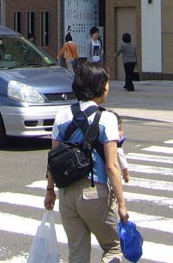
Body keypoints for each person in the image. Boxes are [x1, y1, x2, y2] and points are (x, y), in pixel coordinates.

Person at [44, 62, 128, 263]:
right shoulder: (107, 118)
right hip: (94, 191)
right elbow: (112, 165)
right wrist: (122, 204)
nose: (108, 87)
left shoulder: (62, 115)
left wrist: (50, 190)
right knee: (113, 248)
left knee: (77, 254)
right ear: (100, 86)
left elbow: (54, 158)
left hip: (66, 195)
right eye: (106, 83)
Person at [114, 111, 130, 183]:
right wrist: (126, 175)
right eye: (119, 129)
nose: (120, 133)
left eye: (120, 129)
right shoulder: (118, 149)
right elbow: (124, 165)